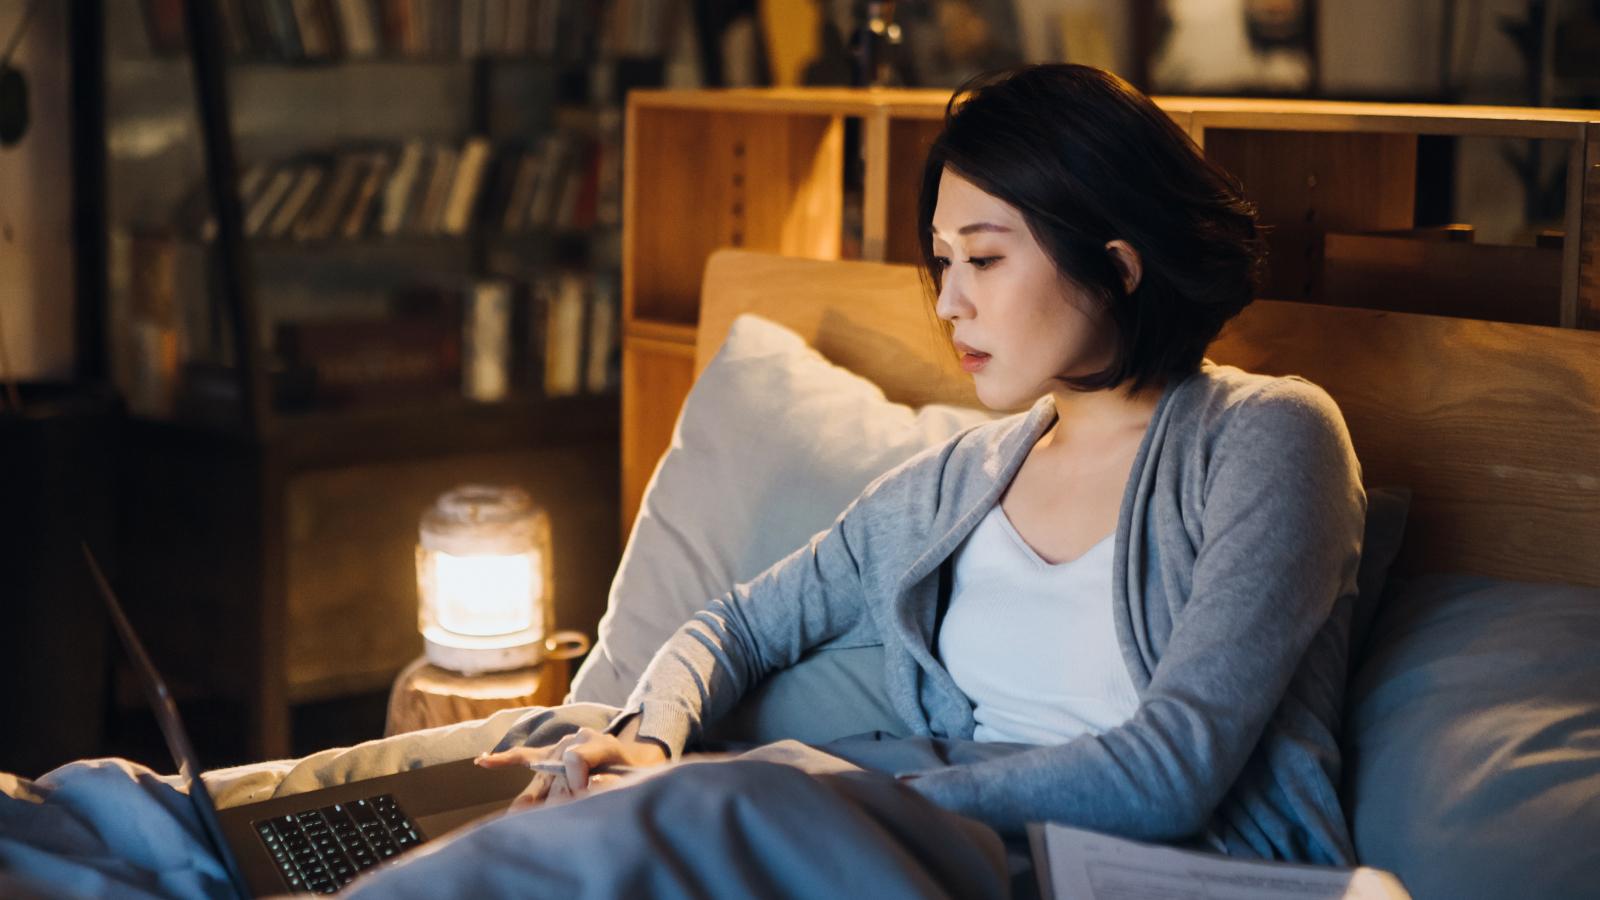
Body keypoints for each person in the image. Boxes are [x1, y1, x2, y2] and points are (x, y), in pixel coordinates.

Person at [479, 63, 1366, 867]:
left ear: (1119, 264)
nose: (948, 301)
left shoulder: (1267, 437)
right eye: (943, 261)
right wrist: (652, 736)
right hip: (941, 855)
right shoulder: (954, 486)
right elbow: (735, 626)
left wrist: (824, 799)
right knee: (550, 845)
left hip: (1162, 872)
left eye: (982, 257)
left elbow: (1171, 770)